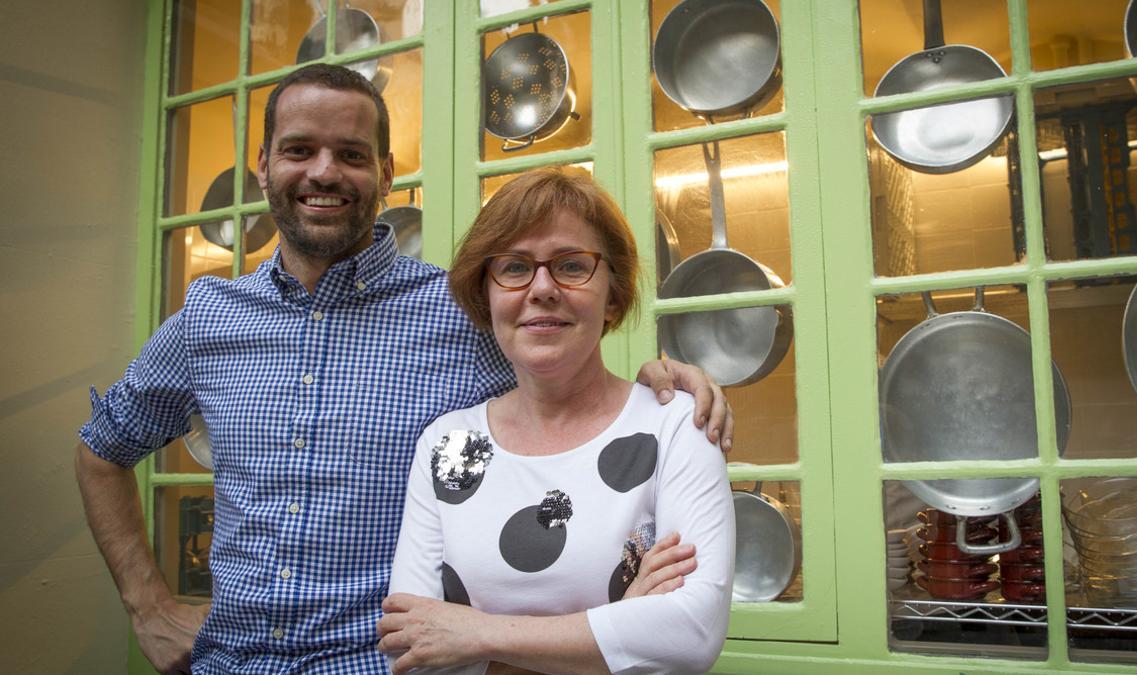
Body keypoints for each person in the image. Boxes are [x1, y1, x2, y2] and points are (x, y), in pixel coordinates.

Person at [74, 64, 732, 674]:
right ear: (264, 164)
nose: (324, 172)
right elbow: (102, 449)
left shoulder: (457, 312)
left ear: (386, 173)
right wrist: (148, 607)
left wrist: (660, 382)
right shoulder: (209, 318)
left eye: (352, 155)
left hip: (389, 663)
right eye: (300, 149)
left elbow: (563, 374)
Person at [378, 169, 735, 674]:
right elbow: (411, 648)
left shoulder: (674, 425)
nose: (542, 288)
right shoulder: (448, 445)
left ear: (612, 294)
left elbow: (692, 632)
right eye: (514, 267)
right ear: (487, 295)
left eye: (571, 265)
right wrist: (619, 624)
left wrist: (477, 635)